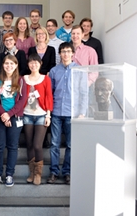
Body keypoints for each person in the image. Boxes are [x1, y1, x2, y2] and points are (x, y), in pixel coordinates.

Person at [47, 42, 87, 185]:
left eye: (68, 51)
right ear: (59, 54)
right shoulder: (53, 71)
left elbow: (84, 92)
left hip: (72, 113)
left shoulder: (79, 71)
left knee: (70, 145)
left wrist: (82, 112)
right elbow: (49, 93)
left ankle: (67, 172)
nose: (65, 54)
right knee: (54, 144)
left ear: (72, 53)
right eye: (63, 51)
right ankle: (53, 171)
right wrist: (48, 112)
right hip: (57, 111)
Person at [0, 55, 27, 187]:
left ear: (16, 65)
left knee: (12, 146)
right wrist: (3, 115)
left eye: (12, 64)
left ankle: (9, 175)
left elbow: (22, 101)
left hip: (15, 117)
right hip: (0, 117)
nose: (9, 66)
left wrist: (9, 115)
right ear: (3, 65)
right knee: (0, 146)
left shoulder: (21, 80)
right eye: (6, 63)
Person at [23, 54, 53, 185]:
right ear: (28, 64)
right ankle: (31, 172)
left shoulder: (45, 78)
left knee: (37, 145)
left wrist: (48, 115)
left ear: (40, 64)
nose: (33, 64)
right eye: (31, 62)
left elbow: (48, 97)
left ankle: (38, 174)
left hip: (41, 115)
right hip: (27, 114)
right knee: (29, 145)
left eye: (36, 62)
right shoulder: (23, 79)